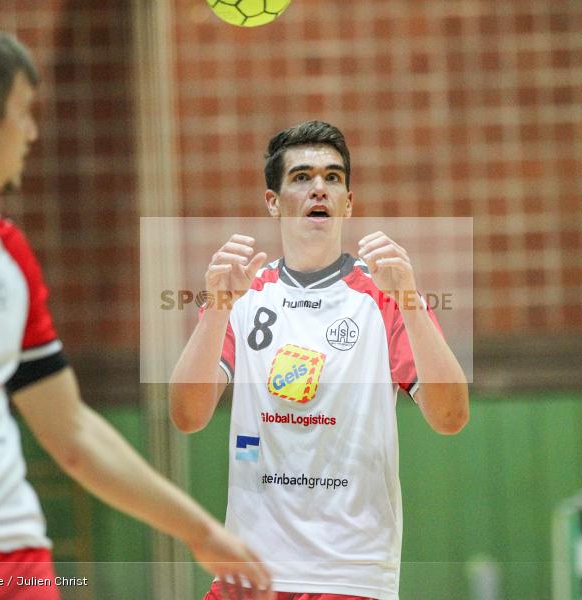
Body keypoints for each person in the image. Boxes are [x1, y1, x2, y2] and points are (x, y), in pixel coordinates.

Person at [0, 14, 271, 600]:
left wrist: (198, 530)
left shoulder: (4, 251)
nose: (31, 133)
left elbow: (71, 430)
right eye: (23, 112)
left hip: (13, 554)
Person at [169, 120, 470, 600]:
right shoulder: (243, 293)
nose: (319, 190)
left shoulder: (386, 295)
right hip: (250, 574)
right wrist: (217, 308)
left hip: (350, 576)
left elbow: (451, 417)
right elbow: (187, 416)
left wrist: (412, 301)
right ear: (274, 202)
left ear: (349, 202)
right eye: (302, 177)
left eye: (333, 178)